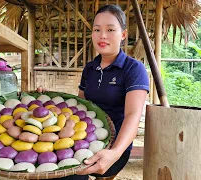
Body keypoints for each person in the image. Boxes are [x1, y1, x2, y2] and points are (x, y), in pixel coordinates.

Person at [37, 4, 149, 180]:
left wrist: (115, 152)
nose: (102, 35)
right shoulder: (90, 68)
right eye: (97, 30)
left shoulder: (134, 69)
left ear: (123, 35)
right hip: (84, 139)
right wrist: (50, 99)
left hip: (114, 144)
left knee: (70, 175)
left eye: (110, 29)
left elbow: (133, 115)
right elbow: (80, 107)